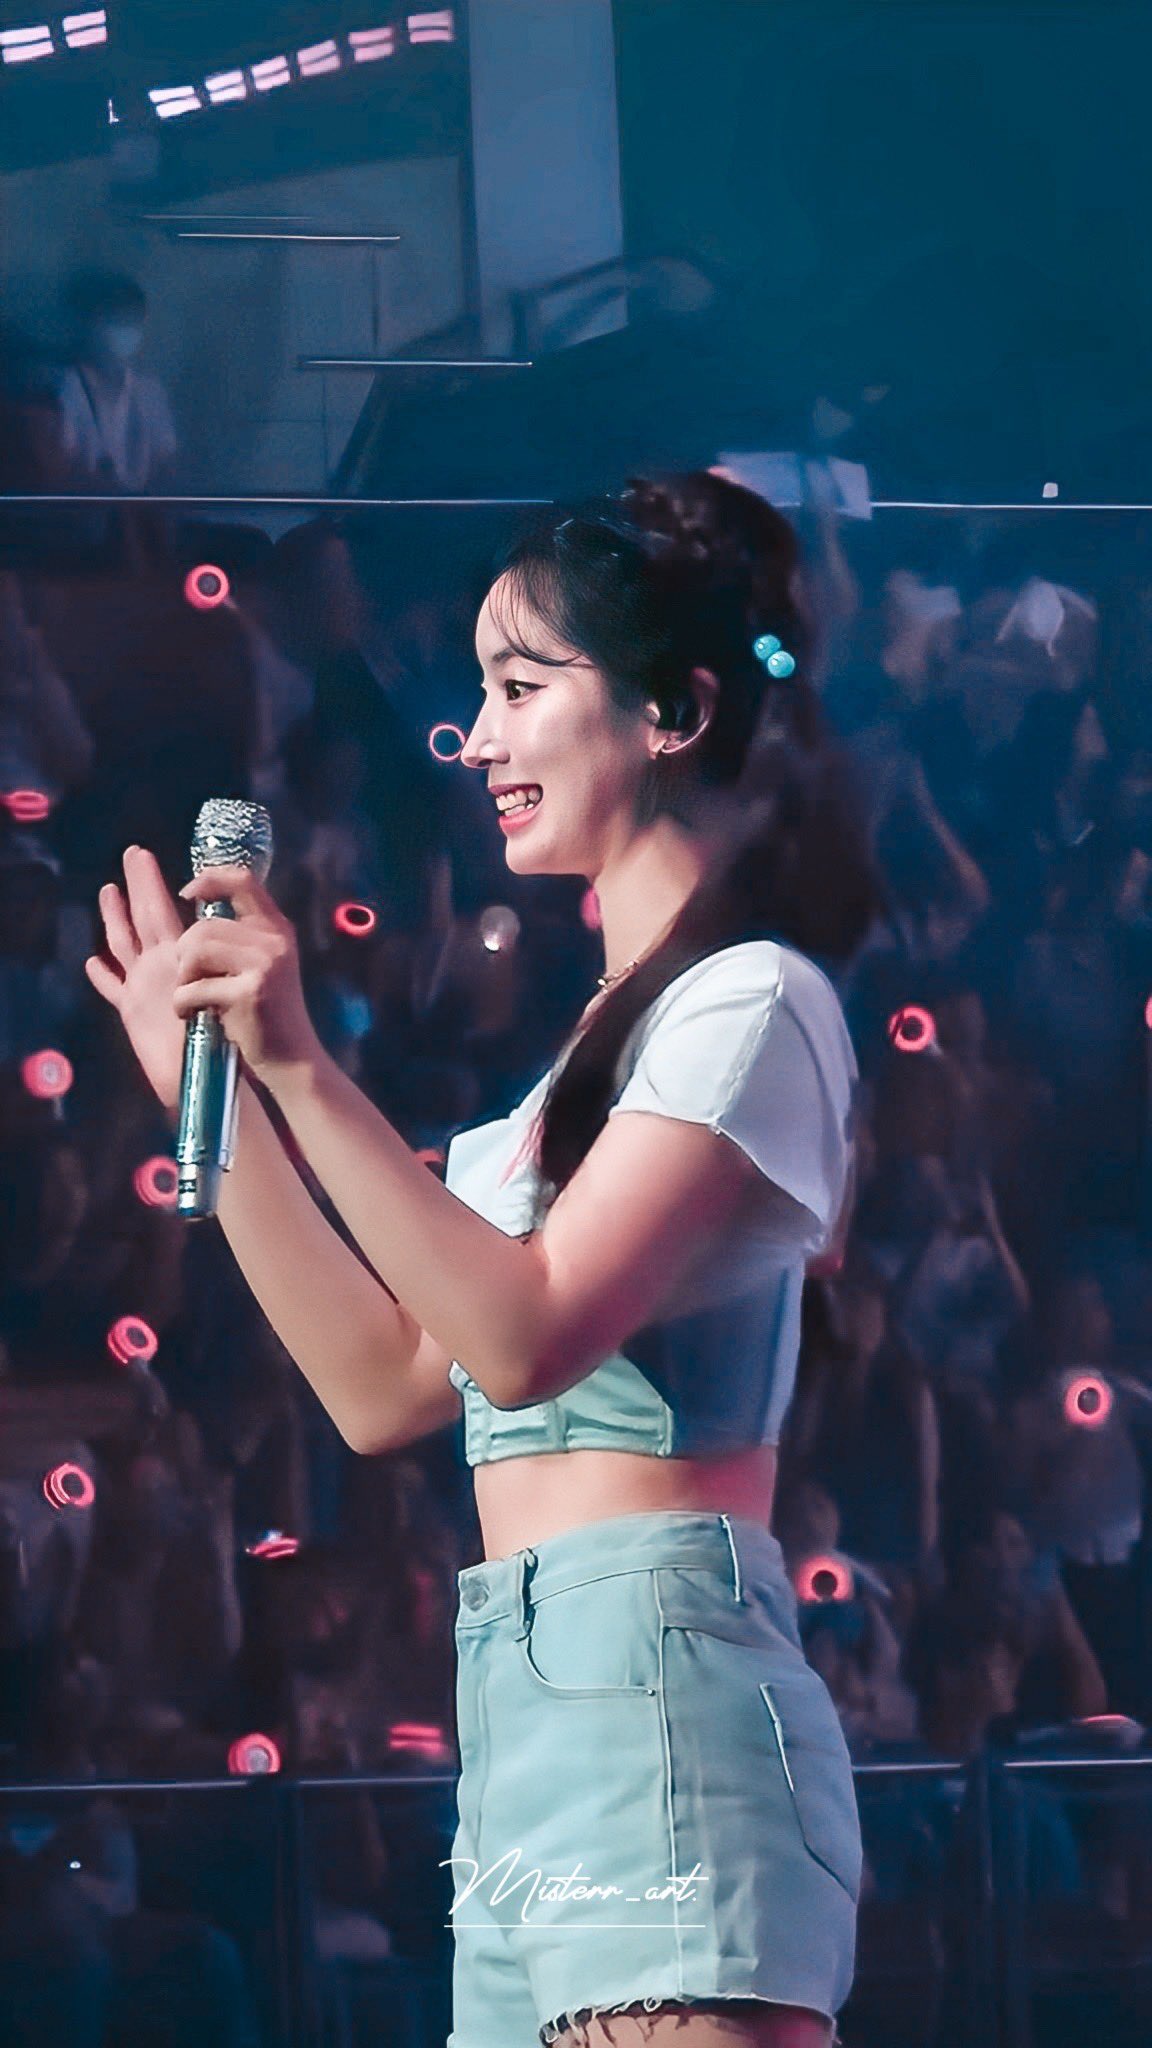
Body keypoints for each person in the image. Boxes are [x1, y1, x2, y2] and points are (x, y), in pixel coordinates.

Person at [84, 469, 886, 2047]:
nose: (479, 738)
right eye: (480, 694)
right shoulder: (571, 1076)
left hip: (656, 1691)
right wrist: (222, 1097)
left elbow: (523, 1336)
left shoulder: (755, 1003)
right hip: (523, 1708)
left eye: (523, 688)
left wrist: (304, 1060)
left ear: (673, 711)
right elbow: (385, 1381)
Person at [52, 271, 178, 494]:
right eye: (116, 321)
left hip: (144, 509)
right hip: (85, 509)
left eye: (132, 322)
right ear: (94, 325)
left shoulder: (150, 391)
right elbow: (62, 468)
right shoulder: (65, 387)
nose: (125, 331)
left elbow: (166, 459)